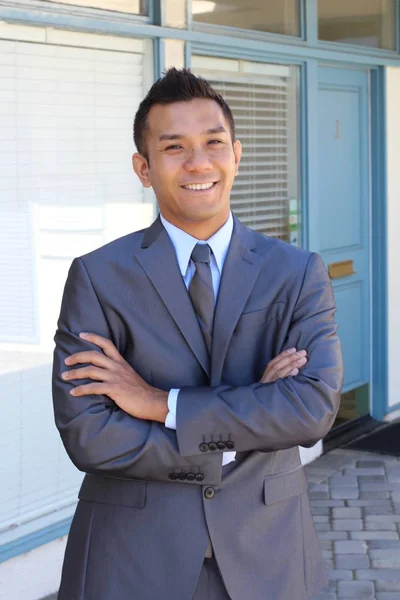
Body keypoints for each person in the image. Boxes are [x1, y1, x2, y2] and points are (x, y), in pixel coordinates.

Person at [52, 68, 343, 600]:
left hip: (269, 556)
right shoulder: (98, 276)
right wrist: (248, 424)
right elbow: (89, 434)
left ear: (237, 152)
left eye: (213, 143)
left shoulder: (297, 272)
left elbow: (311, 409)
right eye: (174, 147)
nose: (198, 163)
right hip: (133, 559)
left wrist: (160, 404)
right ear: (143, 167)